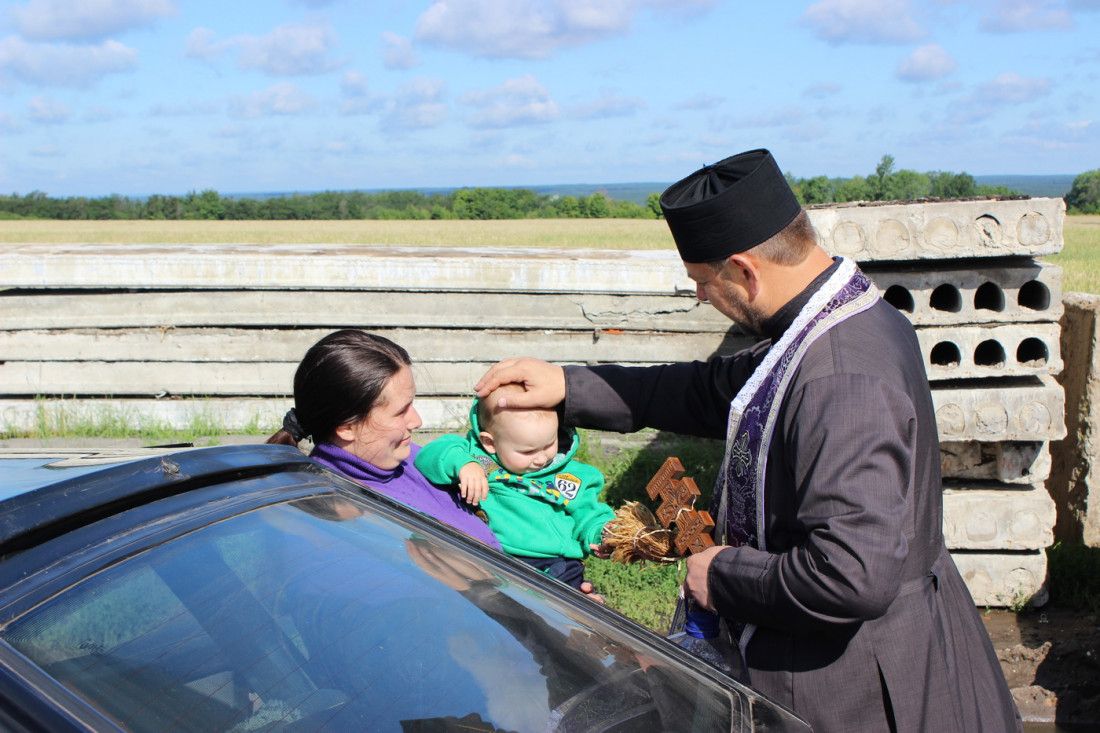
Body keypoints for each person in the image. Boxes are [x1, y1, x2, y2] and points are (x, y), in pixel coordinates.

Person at [475, 149, 1021, 731]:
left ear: (743, 269)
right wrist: (567, 385)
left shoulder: (841, 375)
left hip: (853, 684)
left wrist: (723, 574)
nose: (703, 299)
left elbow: (851, 574)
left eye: (701, 283)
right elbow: (712, 390)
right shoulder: (829, 320)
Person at [266, 329, 501, 550]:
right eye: (401, 411)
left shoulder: (402, 457)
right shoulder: (347, 517)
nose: (417, 421)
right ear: (347, 428)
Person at [414, 385, 614, 590]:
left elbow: (589, 513)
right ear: (490, 443)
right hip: (492, 559)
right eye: (528, 451)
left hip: (555, 565)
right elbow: (429, 455)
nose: (542, 458)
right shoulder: (478, 457)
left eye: (549, 444)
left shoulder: (571, 477)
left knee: (562, 615)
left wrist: (603, 533)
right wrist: (464, 464)